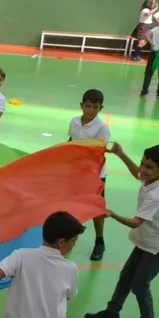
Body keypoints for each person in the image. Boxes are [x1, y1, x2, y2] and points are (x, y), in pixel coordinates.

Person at [85, 143, 159, 318]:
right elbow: (138, 174)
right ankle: (112, 312)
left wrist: (111, 213)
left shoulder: (156, 194)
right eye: (142, 163)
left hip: (158, 246)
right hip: (146, 240)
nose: (142, 169)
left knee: (140, 285)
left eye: (149, 167)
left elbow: (135, 223)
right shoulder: (151, 180)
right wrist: (122, 154)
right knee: (126, 277)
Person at [67, 89, 110, 261]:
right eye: (87, 106)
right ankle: (71, 237)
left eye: (95, 107)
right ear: (81, 105)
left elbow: (98, 153)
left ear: (101, 108)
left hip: (95, 175)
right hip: (76, 172)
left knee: (96, 209)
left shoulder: (102, 128)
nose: (90, 110)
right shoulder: (74, 122)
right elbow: (72, 141)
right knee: (72, 205)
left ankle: (100, 241)